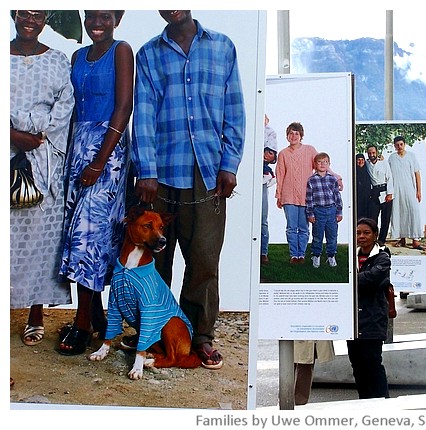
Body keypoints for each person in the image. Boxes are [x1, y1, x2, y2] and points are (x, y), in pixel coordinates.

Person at [131, 10, 246, 369]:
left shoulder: (223, 47)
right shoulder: (149, 53)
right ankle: (152, 334)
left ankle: (201, 337)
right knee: (155, 261)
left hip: (209, 174)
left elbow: (235, 110)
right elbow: (145, 113)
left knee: (204, 260)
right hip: (161, 174)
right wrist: (146, 170)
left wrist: (230, 164)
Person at [57, 10, 133, 356]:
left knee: (91, 232)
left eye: (105, 17)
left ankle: (83, 324)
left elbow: (124, 106)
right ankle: (98, 313)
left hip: (108, 148)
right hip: (78, 146)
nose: (96, 23)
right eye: (91, 17)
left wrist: (100, 160)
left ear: (117, 17)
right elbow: (72, 108)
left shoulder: (121, 50)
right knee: (81, 233)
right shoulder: (77, 55)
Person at [10, 10, 74, 348]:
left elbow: (64, 109)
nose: (30, 19)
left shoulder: (59, 60)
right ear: (13, 14)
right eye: (24, 12)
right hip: (7, 153)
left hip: (44, 159)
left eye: (38, 13)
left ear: (46, 18)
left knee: (40, 239)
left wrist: (29, 130)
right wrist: (11, 133)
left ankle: (35, 314)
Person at [275, 122, 342, 264]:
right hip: (288, 195)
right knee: (291, 227)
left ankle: (302, 255)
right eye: (291, 133)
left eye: (296, 133)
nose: (294, 136)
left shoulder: (310, 150)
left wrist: (337, 178)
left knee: (304, 228)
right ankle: (294, 255)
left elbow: (322, 165)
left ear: (301, 136)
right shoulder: (283, 154)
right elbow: (280, 175)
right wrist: (279, 195)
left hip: (307, 196)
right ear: (287, 136)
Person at [347, 217, 390, 399]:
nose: (361, 236)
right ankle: (364, 405)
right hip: (353, 323)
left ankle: (383, 404)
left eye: (366, 233)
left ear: (375, 235)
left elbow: (372, 280)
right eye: (358, 233)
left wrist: (350, 279)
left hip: (373, 321)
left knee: (373, 365)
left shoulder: (383, 257)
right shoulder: (350, 256)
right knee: (358, 368)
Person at [306, 152, 343, 268]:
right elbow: (309, 198)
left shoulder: (332, 179)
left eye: (325, 162)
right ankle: (316, 255)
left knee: (332, 236)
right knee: (317, 236)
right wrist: (310, 213)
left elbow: (337, 196)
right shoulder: (311, 180)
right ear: (315, 164)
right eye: (319, 162)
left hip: (331, 211)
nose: (322, 164)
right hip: (318, 211)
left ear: (329, 164)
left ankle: (331, 255)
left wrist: (339, 212)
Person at [388, 136, 424, 249]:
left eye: (401, 144)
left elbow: (417, 174)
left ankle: (416, 240)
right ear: (394, 146)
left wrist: (419, 191)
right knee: (399, 212)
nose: (399, 147)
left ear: (405, 144)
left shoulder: (411, 156)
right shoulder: (392, 158)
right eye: (397, 145)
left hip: (410, 189)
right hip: (396, 189)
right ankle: (401, 239)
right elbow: (388, 174)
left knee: (413, 212)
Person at [366, 144, 393, 245]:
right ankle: (373, 239)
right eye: (369, 153)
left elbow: (390, 177)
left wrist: (389, 193)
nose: (371, 154)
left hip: (385, 190)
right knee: (372, 218)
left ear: (376, 153)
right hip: (374, 192)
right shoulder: (367, 164)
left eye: (373, 152)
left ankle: (381, 240)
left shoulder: (384, 162)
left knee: (385, 219)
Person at [261, 115, 278, 265]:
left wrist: (266, 154)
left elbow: (272, 155)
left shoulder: (270, 132)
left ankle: (263, 251)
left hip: (262, 180)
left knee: (262, 218)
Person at [355, 153, 372, 220]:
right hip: (357, 199)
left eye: (362, 160)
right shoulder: (353, 172)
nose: (360, 161)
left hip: (367, 199)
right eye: (358, 160)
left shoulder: (367, 169)